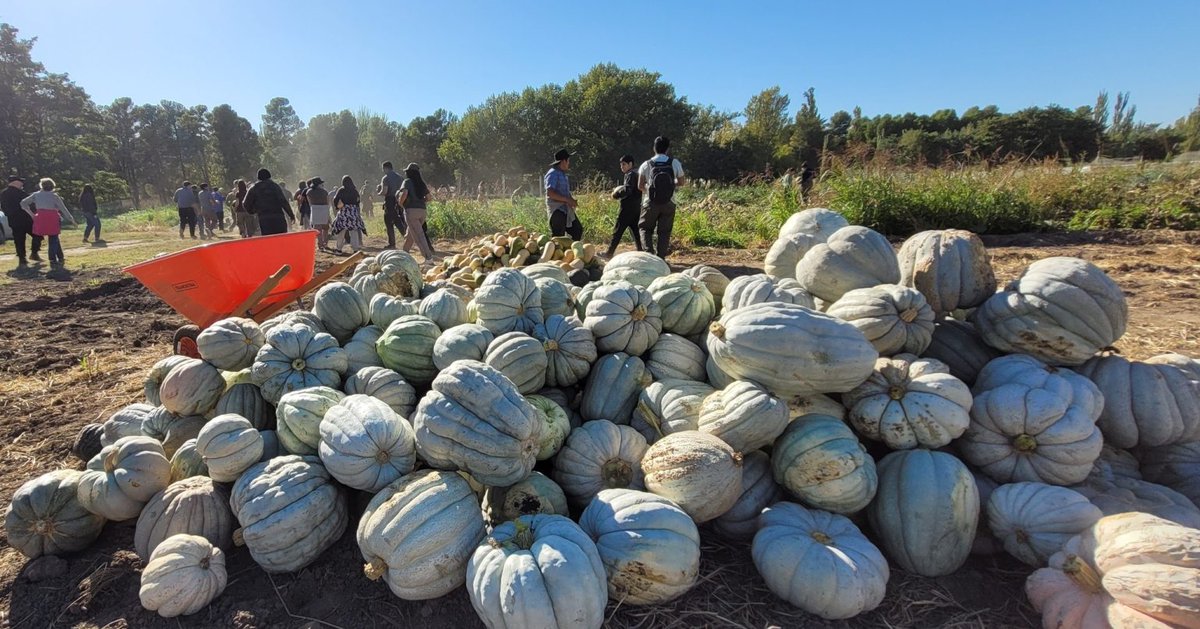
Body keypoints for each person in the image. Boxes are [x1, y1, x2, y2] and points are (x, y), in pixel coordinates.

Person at [637, 136, 686, 259]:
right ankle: (661, 259)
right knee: (664, 232)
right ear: (667, 149)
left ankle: (649, 256)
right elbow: (681, 182)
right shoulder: (674, 163)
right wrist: (669, 185)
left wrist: (650, 189)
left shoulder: (646, 164)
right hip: (669, 202)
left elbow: (640, 186)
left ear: (654, 148)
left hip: (650, 202)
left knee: (645, 228)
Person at [21, 178, 77, 270]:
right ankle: (52, 259)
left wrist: (31, 214)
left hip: (40, 217)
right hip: (52, 217)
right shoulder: (54, 196)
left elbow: (23, 203)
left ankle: (60, 256)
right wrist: (71, 219)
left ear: (41, 186)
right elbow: (63, 209)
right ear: (52, 186)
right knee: (53, 238)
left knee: (54, 238)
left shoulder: (36, 195)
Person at [606, 154, 643, 257]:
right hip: (636, 207)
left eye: (624, 164)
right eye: (621, 165)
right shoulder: (637, 173)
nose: (621, 167)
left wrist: (616, 194)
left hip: (627, 208)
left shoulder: (630, 174)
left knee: (617, 230)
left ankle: (609, 253)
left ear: (630, 164)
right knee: (636, 232)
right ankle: (641, 252)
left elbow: (628, 190)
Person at [398, 163, 436, 261]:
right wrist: (421, 201)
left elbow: (404, 194)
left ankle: (428, 258)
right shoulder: (421, 183)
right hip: (422, 211)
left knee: (418, 236)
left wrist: (401, 204)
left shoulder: (407, 181)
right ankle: (404, 254)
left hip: (411, 211)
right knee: (411, 234)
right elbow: (429, 198)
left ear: (409, 173)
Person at [242, 168, 295, 236]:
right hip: (278, 217)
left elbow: (245, 203)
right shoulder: (275, 186)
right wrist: (291, 215)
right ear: (269, 176)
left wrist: (253, 211)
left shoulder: (254, 188)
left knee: (268, 240)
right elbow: (283, 202)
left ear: (258, 177)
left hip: (264, 219)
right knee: (281, 239)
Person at [2, 175, 40, 267]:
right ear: (15, 182)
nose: (22, 183)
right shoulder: (20, 193)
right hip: (24, 219)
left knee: (19, 239)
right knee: (36, 235)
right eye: (20, 181)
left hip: (15, 220)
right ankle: (31, 254)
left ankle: (23, 257)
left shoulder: (4, 193)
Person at [544, 149, 582, 240]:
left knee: (577, 230)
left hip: (565, 209)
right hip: (557, 210)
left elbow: (564, 192)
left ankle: (572, 248)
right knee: (558, 236)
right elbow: (550, 193)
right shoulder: (552, 174)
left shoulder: (562, 174)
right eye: (568, 161)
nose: (569, 163)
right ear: (563, 161)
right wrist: (567, 200)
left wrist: (571, 200)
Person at [331, 175, 365, 254]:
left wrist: (337, 206)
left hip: (344, 211)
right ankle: (355, 249)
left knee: (341, 231)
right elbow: (358, 200)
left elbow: (335, 199)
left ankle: (339, 249)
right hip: (353, 211)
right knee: (354, 231)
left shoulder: (341, 190)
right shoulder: (354, 190)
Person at [379, 161, 406, 248]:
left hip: (390, 201)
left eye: (383, 169)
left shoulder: (385, 178)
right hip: (399, 200)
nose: (383, 170)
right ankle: (407, 237)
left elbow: (385, 191)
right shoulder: (400, 177)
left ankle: (392, 243)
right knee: (399, 220)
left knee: (388, 222)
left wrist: (379, 193)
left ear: (386, 168)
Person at [306, 177, 333, 250]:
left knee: (318, 228)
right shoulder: (324, 191)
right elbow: (328, 202)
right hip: (324, 209)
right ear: (319, 184)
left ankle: (320, 244)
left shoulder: (309, 192)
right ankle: (325, 243)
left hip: (315, 209)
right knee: (325, 228)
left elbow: (309, 203)